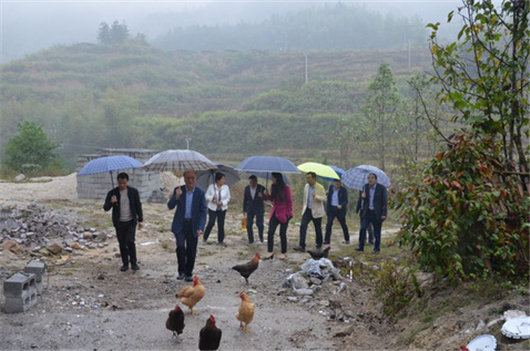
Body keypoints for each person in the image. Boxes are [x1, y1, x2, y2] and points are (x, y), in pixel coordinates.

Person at [168, 170, 207, 281]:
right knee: (180, 247)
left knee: (191, 250)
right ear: (184, 179)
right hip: (180, 225)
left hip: (193, 226)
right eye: (188, 178)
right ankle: (181, 271)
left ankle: (188, 273)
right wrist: (176, 196)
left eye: (192, 178)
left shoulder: (200, 193)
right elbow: (170, 206)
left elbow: (203, 211)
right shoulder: (179, 190)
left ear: (195, 179)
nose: (190, 180)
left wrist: (201, 227)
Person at [103, 172, 143, 272]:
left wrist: (140, 219)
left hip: (130, 221)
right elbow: (105, 208)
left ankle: (134, 263)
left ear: (127, 182)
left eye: (124, 183)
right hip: (119, 222)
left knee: (130, 241)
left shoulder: (133, 192)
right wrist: (111, 202)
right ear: (117, 182)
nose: (122, 185)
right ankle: (125, 263)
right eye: (120, 183)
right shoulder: (112, 193)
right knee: (122, 243)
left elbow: (138, 205)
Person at [263, 173, 293, 260]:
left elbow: (290, 202)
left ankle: (283, 252)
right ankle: (270, 251)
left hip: (284, 214)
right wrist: (266, 195)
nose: (272, 179)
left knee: (282, 234)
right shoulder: (273, 186)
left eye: (273, 177)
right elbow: (272, 199)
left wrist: (289, 214)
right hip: (275, 212)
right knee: (270, 232)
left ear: (277, 178)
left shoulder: (286, 188)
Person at [355, 173, 388, 253]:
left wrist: (384, 214)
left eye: (372, 178)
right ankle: (361, 246)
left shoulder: (381, 188)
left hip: (377, 213)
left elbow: (384, 202)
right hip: (367, 212)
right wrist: (362, 198)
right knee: (363, 228)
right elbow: (362, 200)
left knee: (377, 232)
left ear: (376, 179)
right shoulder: (364, 187)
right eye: (369, 178)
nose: (370, 179)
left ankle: (377, 248)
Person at [294, 172, 326, 252]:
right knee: (303, 226)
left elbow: (324, 199)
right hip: (307, 210)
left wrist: (316, 196)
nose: (307, 180)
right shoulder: (306, 186)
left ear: (314, 178)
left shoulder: (320, 187)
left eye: (309, 178)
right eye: (307, 178)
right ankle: (302, 245)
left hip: (316, 211)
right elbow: (305, 198)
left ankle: (319, 245)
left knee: (317, 229)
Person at [203, 172, 231, 245]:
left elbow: (228, 198)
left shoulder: (226, 187)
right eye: (222, 179)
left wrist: (222, 203)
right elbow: (206, 196)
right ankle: (205, 237)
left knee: (221, 224)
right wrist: (212, 197)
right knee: (211, 222)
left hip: (222, 208)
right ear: (218, 180)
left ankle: (220, 240)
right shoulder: (211, 187)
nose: (224, 181)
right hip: (212, 208)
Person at [324, 179, 350, 245]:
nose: (337, 184)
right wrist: (326, 194)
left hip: (339, 210)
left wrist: (341, 205)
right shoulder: (330, 188)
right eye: (336, 182)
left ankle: (347, 239)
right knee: (329, 224)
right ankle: (327, 240)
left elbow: (345, 200)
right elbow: (328, 198)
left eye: (339, 183)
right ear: (334, 182)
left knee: (343, 224)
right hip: (331, 209)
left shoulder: (343, 190)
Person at [242, 175, 266, 244]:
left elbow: (266, 198)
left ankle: (261, 237)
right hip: (250, 208)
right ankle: (250, 240)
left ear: (256, 182)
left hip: (259, 208)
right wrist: (244, 210)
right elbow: (245, 199)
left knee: (260, 224)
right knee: (248, 224)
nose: (252, 184)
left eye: (253, 182)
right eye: (250, 182)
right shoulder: (247, 188)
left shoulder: (261, 188)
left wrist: (262, 196)